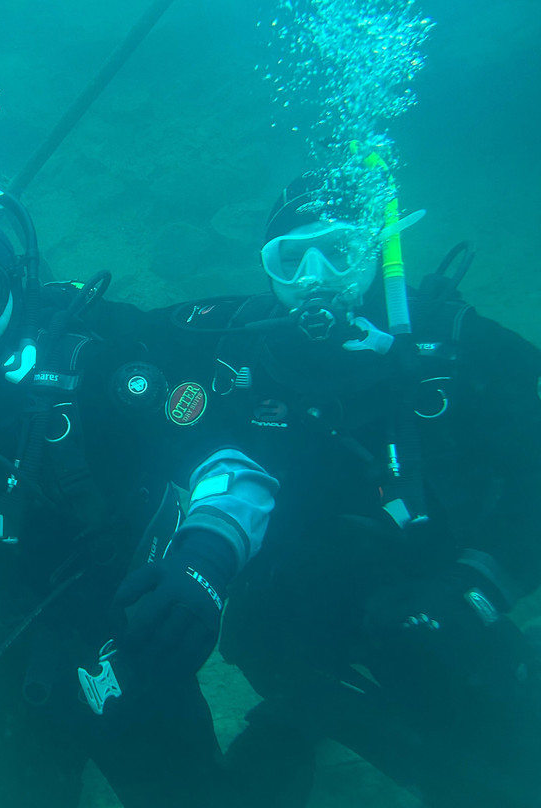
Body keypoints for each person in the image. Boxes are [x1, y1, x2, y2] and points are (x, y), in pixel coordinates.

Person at [0, 188, 279, 808]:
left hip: (122, 633)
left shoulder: (94, 366)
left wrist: (204, 561)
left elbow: (226, 463)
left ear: (16, 284)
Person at [146, 171, 541, 807]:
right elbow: (127, 337)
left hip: (441, 579)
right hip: (304, 589)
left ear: (376, 251)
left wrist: (482, 586)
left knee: (507, 750)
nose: (315, 276)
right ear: (268, 269)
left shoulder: (452, 345)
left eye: (339, 250)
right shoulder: (242, 340)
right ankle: (307, 714)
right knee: (256, 634)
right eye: (291, 256)